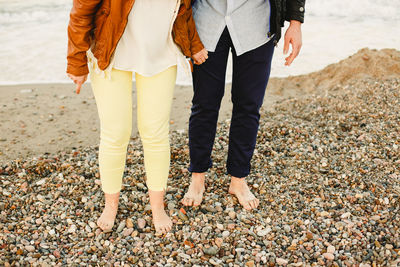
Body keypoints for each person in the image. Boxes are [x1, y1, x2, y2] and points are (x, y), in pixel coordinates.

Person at [66, 0, 208, 233]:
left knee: (156, 134)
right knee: (115, 133)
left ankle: (157, 207)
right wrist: (76, 62)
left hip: (161, 53)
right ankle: (111, 205)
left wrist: (194, 44)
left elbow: (183, 9)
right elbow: (81, 12)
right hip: (110, 51)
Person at [182, 0, 305, 210]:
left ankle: (238, 180)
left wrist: (296, 22)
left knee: (248, 106)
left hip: (256, 24)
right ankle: (197, 177)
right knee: (204, 103)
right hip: (206, 20)